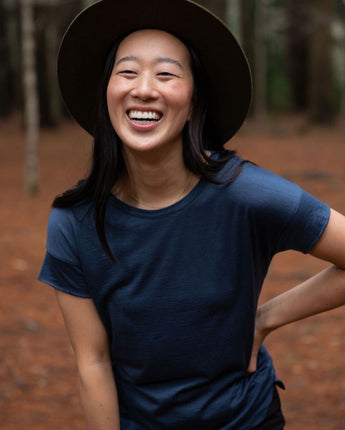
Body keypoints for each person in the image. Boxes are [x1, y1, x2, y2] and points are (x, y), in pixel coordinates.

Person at [38, 0, 345, 429]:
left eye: (166, 74)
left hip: (247, 419)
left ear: (194, 96)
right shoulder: (75, 223)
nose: (143, 88)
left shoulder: (247, 194)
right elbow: (92, 361)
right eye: (127, 72)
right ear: (106, 91)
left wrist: (265, 318)